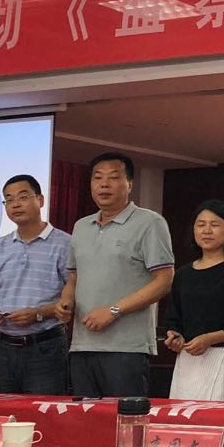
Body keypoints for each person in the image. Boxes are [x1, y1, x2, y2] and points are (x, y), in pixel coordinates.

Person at [56, 152, 174, 397]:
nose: (104, 184)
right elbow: (74, 277)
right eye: (97, 178)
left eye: (113, 177)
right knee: (86, 417)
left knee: (124, 417)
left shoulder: (150, 222)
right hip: (81, 346)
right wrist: (65, 302)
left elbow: (164, 281)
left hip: (126, 348)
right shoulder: (81, 226)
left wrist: (113, 311)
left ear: (129, 184)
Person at [0, 174, 71, 394]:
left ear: (40, 200)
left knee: (42, 410)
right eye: (9, 199)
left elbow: (74, 294)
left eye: (23, 197)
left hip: (45, 346)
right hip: (0, 346)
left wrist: (39, 314)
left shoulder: (65, 243)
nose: (15, 204)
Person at [162, 200, 224, 401]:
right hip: (190, 361)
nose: (206, 231)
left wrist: (211, 338)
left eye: (214, 225)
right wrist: (175, 336)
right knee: (186, 416)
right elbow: (173, 319)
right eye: (201, 225)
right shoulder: (183, 274)